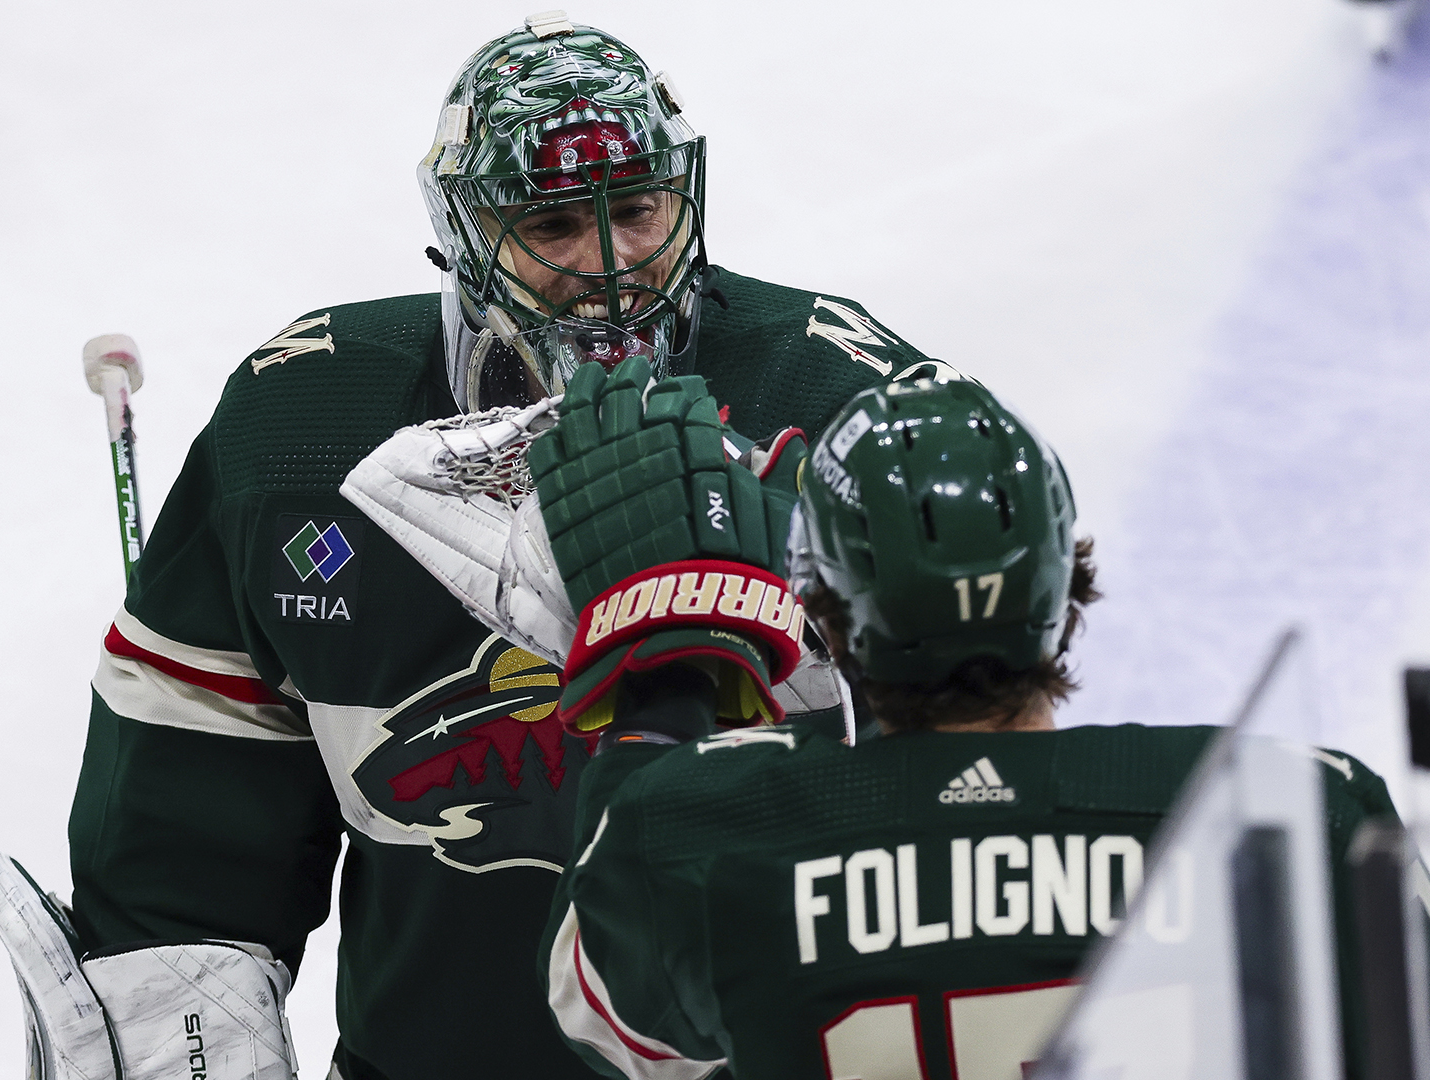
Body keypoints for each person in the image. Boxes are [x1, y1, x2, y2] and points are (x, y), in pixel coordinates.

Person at [55, 12, 931, 1080]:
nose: (610, 266)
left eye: (639, 210)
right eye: (553, 225)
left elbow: (976, 780)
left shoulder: (845, 408)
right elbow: (184, 834)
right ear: (463, 230)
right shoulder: (300, 434)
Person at [524, 368, 1430, 1080]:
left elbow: (609, 1017)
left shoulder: (703, 833)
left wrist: (668, 673)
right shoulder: (1290, 812)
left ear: (823, 611)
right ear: (1066, 586)